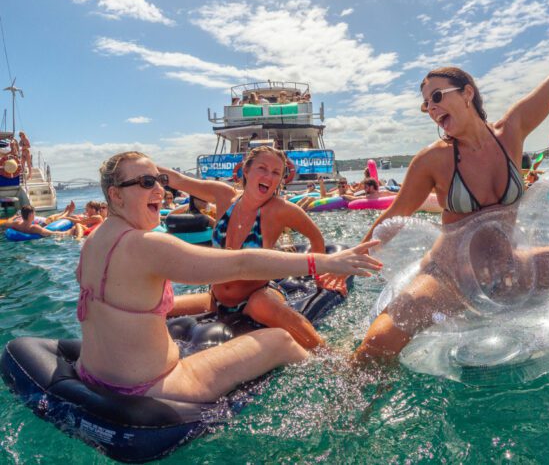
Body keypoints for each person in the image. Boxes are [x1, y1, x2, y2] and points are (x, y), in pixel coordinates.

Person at [355, 0, 549, 362]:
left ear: (467, 93)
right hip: (450, 276)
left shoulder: (512, 132)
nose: (430, 108)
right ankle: (348, 416)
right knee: (378, 343)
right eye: (425, 103)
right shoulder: (432, 160)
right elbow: (394, 217)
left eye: (437, 96)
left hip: (510, 268)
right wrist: (348, 259)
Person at [75, 151, 380, 402]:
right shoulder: (153, 242)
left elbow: (310, 237)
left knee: (270, 315)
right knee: (280, 342)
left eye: (158, 181)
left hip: (93, 373)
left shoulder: (93, 240)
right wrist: (328, 261)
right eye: (145, 182)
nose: (159, 190)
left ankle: (333, 359)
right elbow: (238, 263)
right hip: (153, 384)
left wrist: (324, 270)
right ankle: (342, 395)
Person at [160, 146, 355, 348]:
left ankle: (331, 356)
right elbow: (178, 180)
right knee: (158, 306)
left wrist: (321, 276)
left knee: (264, 307)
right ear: (246, 170)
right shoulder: (224, 196)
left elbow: (316, 237)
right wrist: (137, 169)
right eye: (262, 168)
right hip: (215, 298)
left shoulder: (280, 209)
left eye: (276, 173)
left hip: (256, 297)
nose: (269, 177)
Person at [9, 205, 79, 238]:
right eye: (34, 213)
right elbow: (52, 233)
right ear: (30, 215)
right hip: (42, 227)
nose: (35, 215)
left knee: (50, 218)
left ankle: (65, 212)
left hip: (34, 225)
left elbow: (7, 223)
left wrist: (14, 217)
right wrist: (69, 232)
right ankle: (66, 212)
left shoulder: (17, 224)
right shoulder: (34, 228)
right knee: (50, 219)